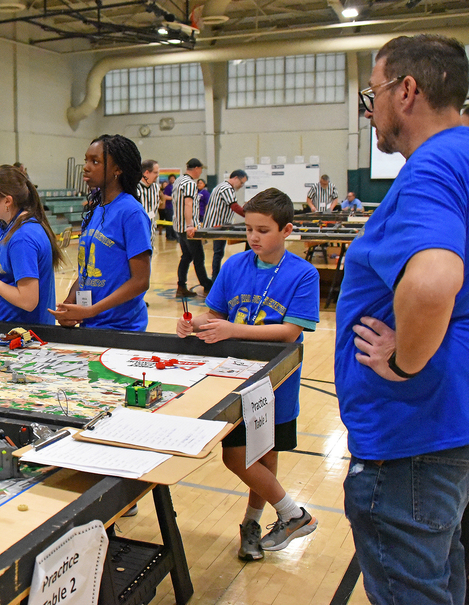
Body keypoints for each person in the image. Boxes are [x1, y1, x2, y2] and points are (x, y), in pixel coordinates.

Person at [336, 34, 469, 605]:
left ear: (406, 90)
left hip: (411, 438)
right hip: (447, 427)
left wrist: (406, 360)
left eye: (373, 94)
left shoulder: (430, 169)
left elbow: (435, 278)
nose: (372, 111)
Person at [179, 187, 320, 561]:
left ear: (287, 230)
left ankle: (252, 524)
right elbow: (217, 317)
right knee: (236, 455)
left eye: (263, 230)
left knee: (265, 458)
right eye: (249, 229)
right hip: (234, 376)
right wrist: (195, 325)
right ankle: (293, 513)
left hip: (279, 379)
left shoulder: (303, 274)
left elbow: (291, 332)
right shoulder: (234, 266)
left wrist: (231, 330)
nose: (254, 237)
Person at [51, 134, 152, 331]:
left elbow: (140, 281)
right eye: (86, 160)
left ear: (117, 169)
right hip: (91, 325)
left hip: (122, 329)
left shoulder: (131, 212)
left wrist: (91, 311)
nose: (86, 167)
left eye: (95, 161)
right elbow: (86, 271)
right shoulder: (95, 211)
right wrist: (70, 304)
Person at [0, 165, 65, 326]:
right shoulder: (3, 227)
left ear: (7, 201)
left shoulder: (22, 238)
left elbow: (28, 301)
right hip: (10, 325)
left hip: (29, 333)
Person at [174, 158, 212, 298]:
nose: (200, 172)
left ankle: (181, 285)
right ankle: (206, 285)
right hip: (188, 227)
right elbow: (188, 204)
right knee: (198, 257)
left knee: (187, 256)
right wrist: (190, 225)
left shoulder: (179, 181)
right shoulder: (190, 183)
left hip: (178, 226)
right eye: (201, 169)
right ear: (196, 168)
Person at [202, 169, 249, 281]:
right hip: (218, 225)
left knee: (219, 253)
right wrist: (249, 216)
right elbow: (234, 206)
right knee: (218, 253)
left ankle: (216, 278)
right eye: (241, 182)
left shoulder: (221, 186)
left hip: (219, 224)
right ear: (236, 178)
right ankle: (215, 279)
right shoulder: (227, 188)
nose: (241, 186)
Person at [135, 159, 160, 248]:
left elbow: (155, 207)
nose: (157, 175)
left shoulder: (156, 188)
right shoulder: (135, 188)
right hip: (137, 230)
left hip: (151, 230)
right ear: (146, 173)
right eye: (155, 172)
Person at [161, 174, 177, 241]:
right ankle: (169, 235)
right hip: (169, 207)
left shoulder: (176, 186)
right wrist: (174, 198)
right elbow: (165, 196)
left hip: (175, 207)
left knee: (173, 221)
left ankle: (174, 235)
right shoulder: (168, 187)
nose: (172, 179)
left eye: (173, 178)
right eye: (171, 178)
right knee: (169, 221)